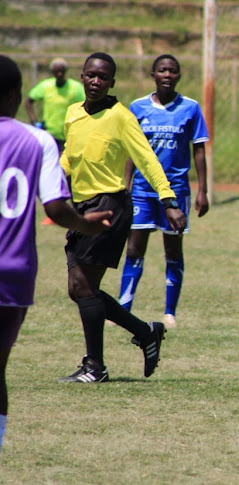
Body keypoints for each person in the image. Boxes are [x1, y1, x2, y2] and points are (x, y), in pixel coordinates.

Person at [0, 54, 111, 453]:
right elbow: (55, 209)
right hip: (13, 272)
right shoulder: (38, 141)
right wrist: (87, 223)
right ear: (15, 95)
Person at [58, 52, 187, 383]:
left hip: (110, 206)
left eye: (103, 77)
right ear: (82, 77)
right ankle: (145, 333)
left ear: (112, 82)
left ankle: (95, 367)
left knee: (84, 285)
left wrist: (168, 200)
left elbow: (147, 159)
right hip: (80, 208)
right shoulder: (73, 114)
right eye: (90, 75)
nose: (96, 81)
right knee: (78, 288)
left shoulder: (121, 116)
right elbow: (68, 159)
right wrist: (48, 184)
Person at [115, 54, 210, 330]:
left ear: (179, 76)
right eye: (162, 70)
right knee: (134, 248)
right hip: (144, 191)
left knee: (172, 249)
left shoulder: (190, 108)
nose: (167, 74)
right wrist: (128, 182)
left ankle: (170, 313)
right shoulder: (138, 107)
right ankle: (124, 309)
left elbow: (199, 149)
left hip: (176, 191)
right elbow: (133, 148)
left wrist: (202, 190)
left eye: (172, 71)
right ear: (153, 75)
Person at [25, 57, 86, 154]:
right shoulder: (45, 86)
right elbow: (28, 102)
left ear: (65, 71)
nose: (60, 74)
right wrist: (34, 121)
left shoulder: (76, 88)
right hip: (49, 135)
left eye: (62, 71)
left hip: (69, 135)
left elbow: (87, 105)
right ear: (52, 72)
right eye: (57, 72)